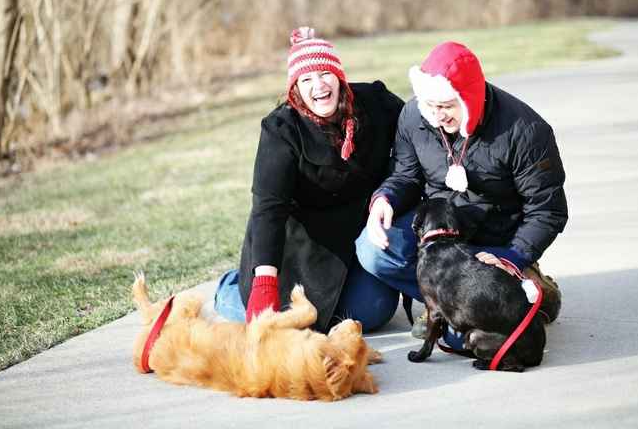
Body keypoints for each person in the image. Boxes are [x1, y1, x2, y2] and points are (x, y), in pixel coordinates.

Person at [355, 41, 567, 347]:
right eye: (430, 106)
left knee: (469, 341)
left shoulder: (526, 130)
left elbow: (547, 210)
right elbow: (405, 174)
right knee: (373, 250)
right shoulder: (415, 116)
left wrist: (515, 255)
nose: (437, 115)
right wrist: (384, 198)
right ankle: (444, 304)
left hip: (496, 242)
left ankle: (530, 287)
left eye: (446, 106)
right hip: (442, 235)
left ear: (470, 97)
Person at [213, 27, 405, 332]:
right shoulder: (281, 130)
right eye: (306, 79)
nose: (318, 85)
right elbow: (268, 208)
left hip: (355, 234)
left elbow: (415, 133)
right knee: (287, 321)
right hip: (300, 245)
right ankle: (229, 289)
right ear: (295, 89)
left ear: (339, 76)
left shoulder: (376, 103)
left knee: (373, 310)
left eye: (325, 73)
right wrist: (264, 283)